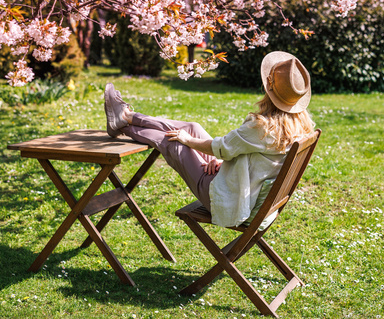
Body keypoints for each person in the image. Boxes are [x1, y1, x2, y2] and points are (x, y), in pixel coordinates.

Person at [104, 51, 315, 227]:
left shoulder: (262, 127)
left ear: (268, 89)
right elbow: (238, 153)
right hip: (244, 191)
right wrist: (222, 160)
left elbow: (221, 148)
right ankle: (128, 117)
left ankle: (123, 123)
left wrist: (188, 141)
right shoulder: (300, 127)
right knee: (193, 128)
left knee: (174, 142)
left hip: (231, 201)